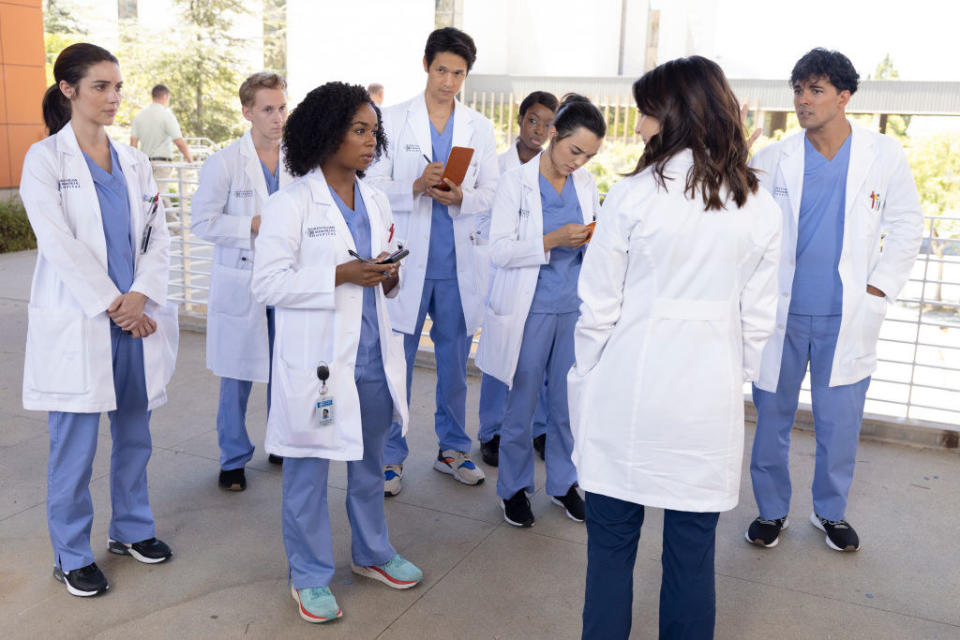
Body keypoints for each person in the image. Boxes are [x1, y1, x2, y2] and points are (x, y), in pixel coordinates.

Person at [571, 56, 782, 639]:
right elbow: (759, 321)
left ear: (674, 114)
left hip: (627, 393)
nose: (638, 127)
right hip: (706, 403)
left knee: (610, 553)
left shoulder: (632, 195)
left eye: (644, 113)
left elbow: (597, 313)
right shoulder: (758, 202)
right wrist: (726, 376)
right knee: (692, 557)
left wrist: (585, 385)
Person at [251, 81, 423, 624]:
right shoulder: (290, 204)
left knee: (371, 462)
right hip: (319, 365)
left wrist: (386, 278)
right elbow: (268, 285)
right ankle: (309, 575)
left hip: (372, 355)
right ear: (327, 134)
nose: (372, 141)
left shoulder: (374, 198)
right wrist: (340, 276)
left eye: (375, 131)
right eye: (359, 130)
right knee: (307, 471)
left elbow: (382, 275)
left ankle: (372, 553)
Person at [744, 48, 923, 552]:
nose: (802, 99)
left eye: (815, 90)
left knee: (839, 423)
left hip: (847, 316)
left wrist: (878, 288)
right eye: (798, 89)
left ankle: (830, 512)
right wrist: (732, 161)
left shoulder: (882, 155)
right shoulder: (772, 157)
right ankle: (771, 511)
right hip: (782, 313)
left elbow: (908, 224)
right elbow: (742, 221)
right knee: (771, 420)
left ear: (844, 98)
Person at [20, 42, 180, 597]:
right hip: (86, 320)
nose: (114, 97)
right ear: (68, 90)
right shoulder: (44, 160)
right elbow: (58, 244)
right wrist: (118, 304)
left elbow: (160, 233)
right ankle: (70, 552)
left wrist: (141, 296)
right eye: (100, 87)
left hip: (135, 319)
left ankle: (131, 530)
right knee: (76, 445)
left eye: (117, 87)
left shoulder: (134, 160)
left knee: (135, 434)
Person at [366, 27, 498, 496]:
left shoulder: (479, 127)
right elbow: (370, 184)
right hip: (408, 262)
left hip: (458, 264)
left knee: (454, 365)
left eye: (458, 73)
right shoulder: (391, 119)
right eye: (442, 69)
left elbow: (493, 193)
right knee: (395, 364)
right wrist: (416, 186)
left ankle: (453, 449)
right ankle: (390, 456)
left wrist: (462, 197)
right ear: (426, 65)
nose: (448, 81)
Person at [475, 94, 604, 527]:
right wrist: (553, 239)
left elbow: (593, 239)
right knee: (522, 403)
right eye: (574, 150)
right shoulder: (516, 182)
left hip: (572, 308)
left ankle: (565, 484)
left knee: (568, 404)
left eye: (588, 156)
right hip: (528, 310)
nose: (579, 162)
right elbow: (500, 250)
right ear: (553, 135)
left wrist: (592, 239)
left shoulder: (585, 185)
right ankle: (513, 489)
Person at [191, 72, 290, 490]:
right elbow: (201, 221)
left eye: (282, 107)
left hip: (284, 279)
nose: (277, 117)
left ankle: (282, 441)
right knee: (237, 375)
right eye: (268, 109)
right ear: (247, 111)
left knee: (286, 365)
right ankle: (232, 458)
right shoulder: (225, 163)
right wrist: (250, 223)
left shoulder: (298, 159)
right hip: (243, 279)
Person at [477, 90, 559, 467]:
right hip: (506, 276)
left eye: (547, 124)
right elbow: (481, 223)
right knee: (500, 360)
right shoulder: (497, 167)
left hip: (544, 278)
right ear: (519, 119)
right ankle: (491, 432)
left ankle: (539, 429)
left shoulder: (554, 170)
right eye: (532, 120)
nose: (538, 130)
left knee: (537, 364)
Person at [130, 84, 194, 183]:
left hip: (144, 163)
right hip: (162, 164)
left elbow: (133, 144)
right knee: (160, 195)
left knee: (148, 195)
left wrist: (134, 164)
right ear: (165, 97)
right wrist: (190, 160)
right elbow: (179, 142)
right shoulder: (167, 115)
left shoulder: (138, 116)